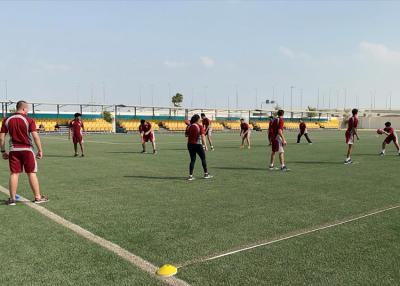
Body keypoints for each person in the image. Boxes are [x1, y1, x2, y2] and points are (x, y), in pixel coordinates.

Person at [0, 100, 48, 205]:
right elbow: (35, 136)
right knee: (31, 173)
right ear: (23, 108)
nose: (28, 111)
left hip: (14, 150)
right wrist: (40, 150)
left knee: (14, 173)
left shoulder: (6, 120)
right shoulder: (29, 120)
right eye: (27, 109)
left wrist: (3, 151)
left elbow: (1, 138)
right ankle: (38, 197)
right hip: (27, 150)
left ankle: (12, 199)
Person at [185, 114, 213, 181]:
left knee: (192, 160)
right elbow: (203, 137)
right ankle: (206, 174)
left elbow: (186, 135)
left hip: (190, 145)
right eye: (199, 119)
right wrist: (205, 146)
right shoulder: (199, 126)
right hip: (197, 145)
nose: (200, 120)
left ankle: (190, 176)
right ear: (197, 119)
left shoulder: (189, 126)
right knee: (203, 158)